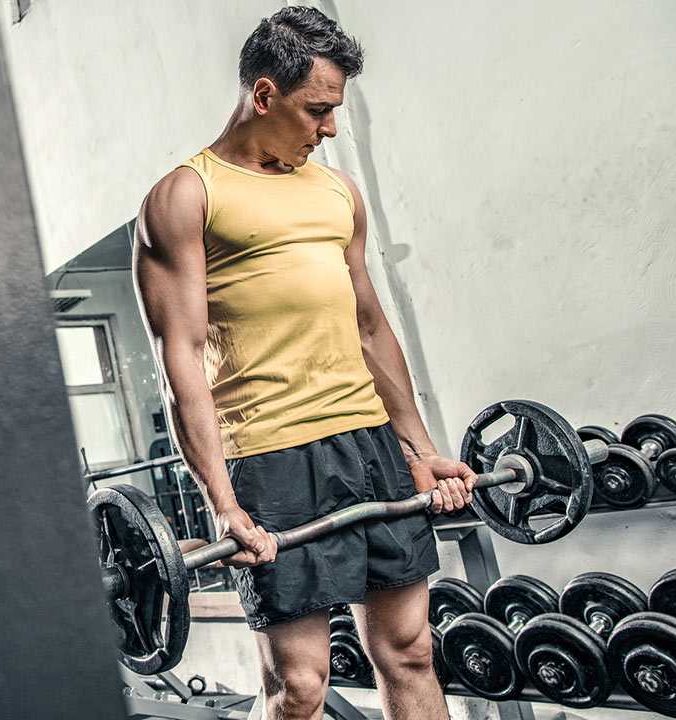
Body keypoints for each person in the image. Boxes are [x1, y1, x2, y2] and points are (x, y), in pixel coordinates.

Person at [132, 8, 477, 720]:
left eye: (335, 111)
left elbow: (370, 326)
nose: (329, 129)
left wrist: (419, 448)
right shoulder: (187, 196)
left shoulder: (337, 193)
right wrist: (222, 505)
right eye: (317, 110)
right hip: (270, 454)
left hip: (368, 442)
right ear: (264, 95)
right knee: (300, 685)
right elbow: (183, 361)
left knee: (410, 651)